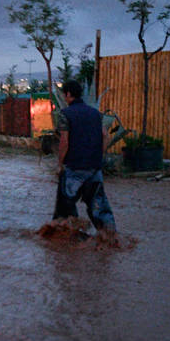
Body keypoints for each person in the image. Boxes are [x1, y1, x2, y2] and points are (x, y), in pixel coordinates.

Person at [53, 80, 116, 234]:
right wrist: (98, 155)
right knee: (99, 205)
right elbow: (105, 136)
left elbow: (64, 142)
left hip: (74, 167)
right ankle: (110, 236)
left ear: (68, 94)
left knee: (66, 205)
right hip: (94, 167)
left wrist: (60, 164)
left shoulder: (65, 114)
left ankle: (67, 240)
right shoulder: (95, 113)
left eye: (64, 94)